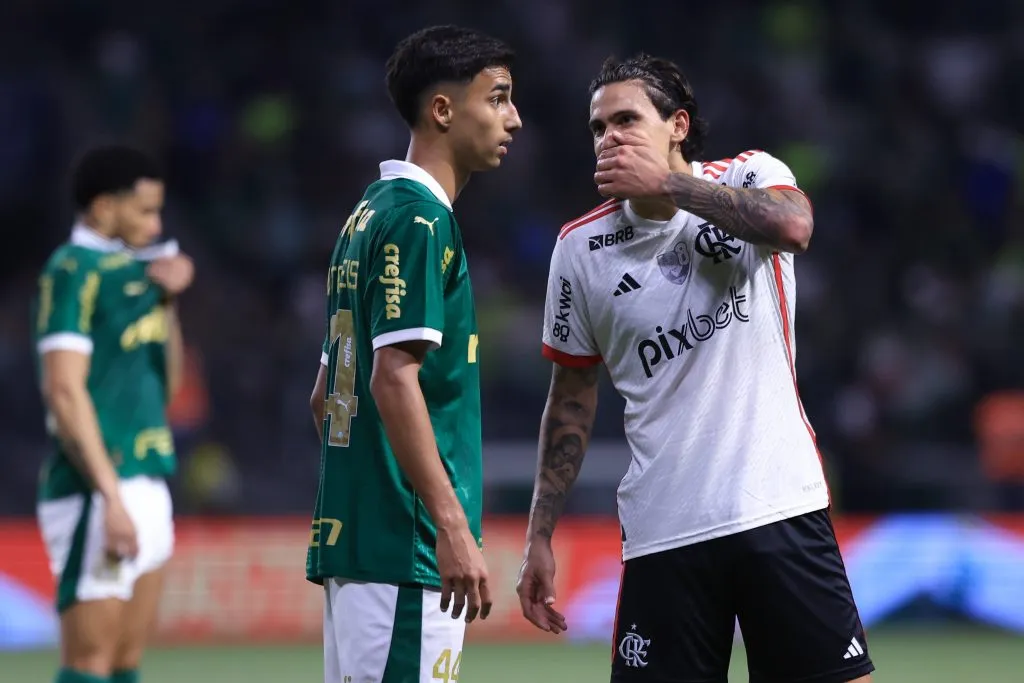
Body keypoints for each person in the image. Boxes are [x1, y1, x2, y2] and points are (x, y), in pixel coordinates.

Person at [516, 54, 874, 683]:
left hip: (778, 509)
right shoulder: (578, 250)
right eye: (598, 128)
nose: (609, 138)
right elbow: (570, 396)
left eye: (626, 119)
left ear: (677, 125)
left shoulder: (751, 173)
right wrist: (540, 533)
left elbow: (794, 225)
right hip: (664, 533)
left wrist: (671, 187)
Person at [305, 25, 522, 683]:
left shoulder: (368, 213)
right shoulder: (421, 222)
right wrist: (449, 527)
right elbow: (393, 379)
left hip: (361, 547)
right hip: (405, 555)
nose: (513, 117)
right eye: (499, 98)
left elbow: (324, 397)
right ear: (444, 110)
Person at [33, 145, 194, 683]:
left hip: (148, 479)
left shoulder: (135, 278)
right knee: (88, 665)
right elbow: (63, 390)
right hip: (96, 489)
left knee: (124, 665)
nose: (156, 223)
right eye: (144, 211)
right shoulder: (73, 269)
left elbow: (168, 386)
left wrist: (168, 304)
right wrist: (110, 496)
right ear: (102, 209)